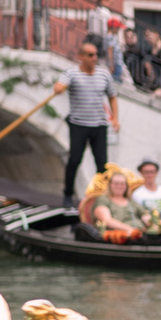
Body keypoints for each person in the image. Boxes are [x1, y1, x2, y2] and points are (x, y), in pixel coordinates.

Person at [59, 35, 116, 200]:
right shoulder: (72, 73)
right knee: (75, 160)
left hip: (99, 125)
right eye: (90, 55)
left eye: (96, 55)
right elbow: (61, 83)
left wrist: (116, 118)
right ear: (81, 56)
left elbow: (112, 96)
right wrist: (59, 88)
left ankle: (103, 196)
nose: (95, 58)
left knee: (102, 164)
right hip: (78, 125)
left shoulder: (104, 75)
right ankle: (68, 194)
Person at [80, 165, 147, 242]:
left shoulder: (131, 201)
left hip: (140, 235)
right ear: (110, 185)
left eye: (122, 184)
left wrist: (156, 224)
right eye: (116, 183)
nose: (119, 186)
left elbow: (145, 216)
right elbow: (107, 220)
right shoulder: (103, 200)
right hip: (119, 237)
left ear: (126, 186)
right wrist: (131, 230)